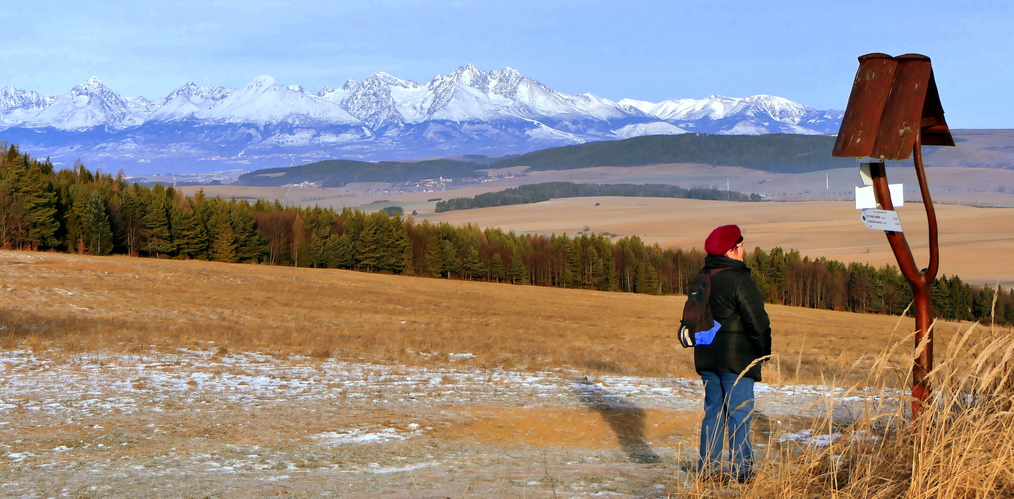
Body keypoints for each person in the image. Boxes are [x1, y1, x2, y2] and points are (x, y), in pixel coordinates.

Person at [694, 224, 771, 483]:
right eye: (740, 245)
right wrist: (762, 354)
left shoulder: (702, 277)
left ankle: (709, 471)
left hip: (706, 357)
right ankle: (743, 473)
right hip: (737, 360)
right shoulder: (739, 279)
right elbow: (758, 322)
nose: (743, 249)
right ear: (731, 250)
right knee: (739, 415)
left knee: (713, 413)